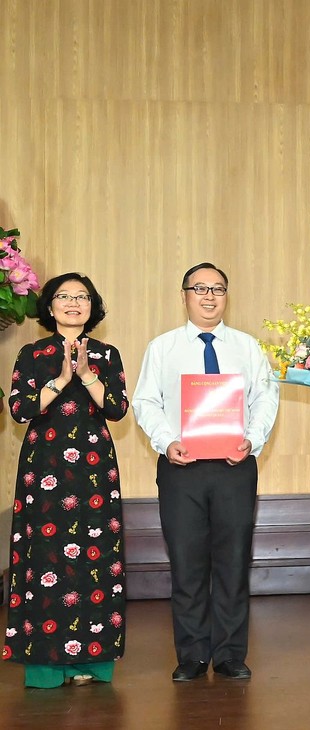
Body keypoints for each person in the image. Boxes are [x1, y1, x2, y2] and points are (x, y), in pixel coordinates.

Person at [132, 262, 279, 681]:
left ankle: (230, 653)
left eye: (218, 289)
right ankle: (192, 654)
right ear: (184, 296)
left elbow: (266, 398)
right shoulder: (162, 348)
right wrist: (166, 441)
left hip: (235, 466)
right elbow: (146, 402)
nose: (210, 296)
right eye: (200, 288)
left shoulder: (248, 346)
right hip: (182, 468)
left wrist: (252, 439)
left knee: (233, 561)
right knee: (187, 562)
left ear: (226, 296)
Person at [4, 273, 129, 688]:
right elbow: (20, 409)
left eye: (82, 296)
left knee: (94, 559)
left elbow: (116, 409)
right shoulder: (32, 353)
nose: (74, 303)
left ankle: (90, 663)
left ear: (93, 306)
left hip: (95, 473)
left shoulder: (108, 355)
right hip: (45, 469)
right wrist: (60, 378)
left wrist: (88, 373)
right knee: (45, 559)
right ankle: (46, 666)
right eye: (64, 296)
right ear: (50, 306)